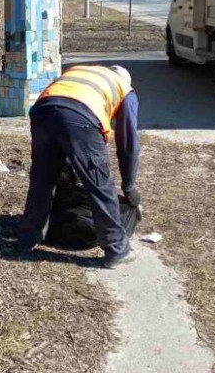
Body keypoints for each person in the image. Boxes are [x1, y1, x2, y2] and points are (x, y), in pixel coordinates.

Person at [17, 64, 141, 268]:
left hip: (41, 111)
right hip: (78, 116)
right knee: (101, 185)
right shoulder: (125, 90)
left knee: (42, 179)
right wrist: (129, 186)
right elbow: (128, 144)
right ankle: (116, 250)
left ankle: (28, 237)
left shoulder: (81, 72)